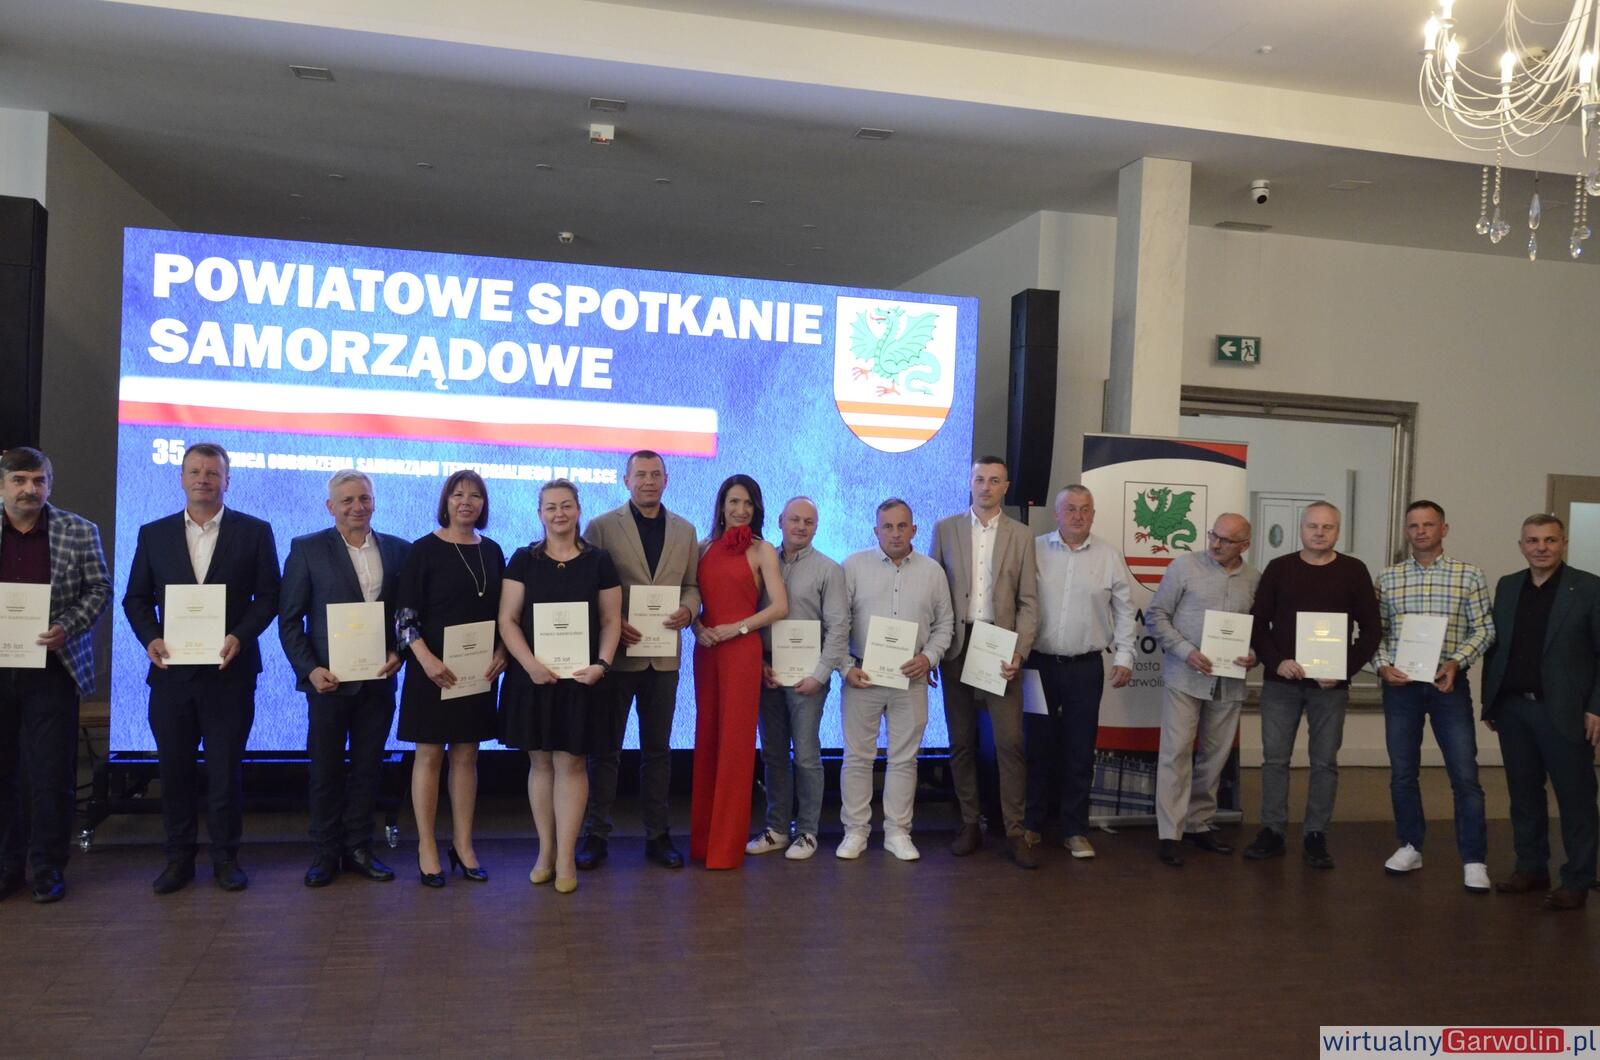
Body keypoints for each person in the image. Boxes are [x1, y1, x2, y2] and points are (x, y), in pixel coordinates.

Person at [123, 442, 280, 894]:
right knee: (174, 771)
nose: (203, 480)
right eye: (195, 471)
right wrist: (151, 638)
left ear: (228, 480)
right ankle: (179, 859)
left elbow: (270, 596)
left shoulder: (255, 531)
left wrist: (240, 636)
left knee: (226, 772)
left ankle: (226, 858)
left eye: (213, 473)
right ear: (181, 478)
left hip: (231, 673)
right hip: (171, 676)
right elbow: (135, 598)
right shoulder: (153, 534)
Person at [279, 469, 409, 888]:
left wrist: (400, 653)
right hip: (328, 682)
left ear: (374, 502)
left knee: (369, 769)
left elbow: (407, 616)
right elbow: (290, 620)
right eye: (348, 500)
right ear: (330, 506)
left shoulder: (399, 550)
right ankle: (325, 853)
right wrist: (309, 669)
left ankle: (359, 849)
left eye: (364, 498)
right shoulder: (307, 549)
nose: (357, 507)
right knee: (325, 771)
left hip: (378, 680)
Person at [578, 450, 701, 871]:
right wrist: (614, 622)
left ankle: (658, 835)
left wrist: (689, 610)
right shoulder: (600, 526)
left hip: (663, 659)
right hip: (616, 658)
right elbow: (587, 584)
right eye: (641, 474)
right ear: (626, 480)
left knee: (658, 752)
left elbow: (692, 586)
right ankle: (596, 835)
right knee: (605, 751)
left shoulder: (685, 530)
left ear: (667, 479)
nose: (649, 481)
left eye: (655, 474)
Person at [498, 479, 621, 894]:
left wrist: (602, 664)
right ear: (539, 514)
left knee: (572, 764)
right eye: (550, 507)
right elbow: (507, 620)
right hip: (533, 678)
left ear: (578, 509)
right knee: (541, 765)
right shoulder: (522, 559)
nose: (559, 514)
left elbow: (611, 621)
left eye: (566, 505)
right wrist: (530, 665)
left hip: (582, 680)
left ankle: (566, 856)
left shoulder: (599, 561)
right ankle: (545, 852)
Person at [0, 447, 111, 904]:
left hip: (53, 666)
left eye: (39, 480)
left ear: (50, 484)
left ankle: (47, 867)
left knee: (51, 774)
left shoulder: (79, 530)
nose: (30, 489)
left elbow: (99, 588)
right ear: (2, 485)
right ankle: (7, 866)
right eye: (19, 480)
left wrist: (68, 626)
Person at [1244, 501, 1380, 869]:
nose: (1319, 533)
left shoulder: (1354, 571)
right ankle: (1272, 830)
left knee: (1324, 762)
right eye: (1313, 526)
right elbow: (1258, 623)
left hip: (1329, 687)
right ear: (1301, 528)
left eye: (1327, 527)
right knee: (1275, 759)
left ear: (1338, 531)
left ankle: (1316, 834)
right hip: (1281, 682)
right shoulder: (1279, 568)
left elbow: (1371, 630)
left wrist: (1344, 669)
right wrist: (1277, 661)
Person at [1480, 514, 1600, 911]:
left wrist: (1596, 708)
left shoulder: (1589, 588)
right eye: (1532, 540)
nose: (1541, 548)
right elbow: (1496, 647)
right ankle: (1531, 868)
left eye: (1549, 540)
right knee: (1523, 794)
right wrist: (1490, 701)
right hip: (1514, 709)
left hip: (1565, 711)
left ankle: (1578, 878)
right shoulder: (1508, 585)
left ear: (1563, 543)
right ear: (1521, 546)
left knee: (1576, 799)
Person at [1373, 501, 1494, 893]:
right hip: (1402, 688)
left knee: (1465, 774)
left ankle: (1474, 859)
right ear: (1406, 531)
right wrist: (1383, 666)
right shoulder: (1388, 578)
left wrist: (1457, 662)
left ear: (1444, 529)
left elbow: (1485, 629)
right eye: (1414, 525)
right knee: (1403, 772)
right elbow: (1376, 632)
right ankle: (1411, 845)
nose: (1421, 531)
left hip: (1448, 685)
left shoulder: (1469, 575)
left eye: (1429, 524)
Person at [394, 470, 507, 887]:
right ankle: (426, 846)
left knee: (466, 756)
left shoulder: (493, 551)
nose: (466, 502)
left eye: (475, 496)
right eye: (458, 494)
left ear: (484, 505)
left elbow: (505, 614)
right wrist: (425, 660)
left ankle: (463, 844)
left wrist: (502, 652)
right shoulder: (423, 549)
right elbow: (404, 617)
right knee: (429, 756)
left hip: (477, 671)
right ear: (445, 501)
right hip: (432, 670)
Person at [931, 456, 1040, 869]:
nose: (986, 486)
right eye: (979, 479)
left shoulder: (1022, 535)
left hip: (999, 645)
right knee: (961, 742)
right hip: (957, 644)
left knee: (1009, 742)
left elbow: (1029, 602)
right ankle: (969, 823)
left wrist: (1019, 652)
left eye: (995, 480)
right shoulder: (946, 529)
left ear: (1006, 487)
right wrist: (931, 649)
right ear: (970, 481)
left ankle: (1014, 829)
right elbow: (934, 595)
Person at [837, 498, 954, 861]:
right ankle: (855, 831)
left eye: (902, 526)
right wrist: (845, 666)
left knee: (904, 759)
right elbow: (837, 623)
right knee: (857, 758)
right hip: (863, 676)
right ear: (876, 531)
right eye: (887, 526)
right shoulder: (853, 566)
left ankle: (898, 832)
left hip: (911, 678)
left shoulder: (933, 571)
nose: (895, 533)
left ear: (914, 529)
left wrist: (928, 658)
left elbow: (945, 625)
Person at [1144, 513, 1260, 868]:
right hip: (1185, 676)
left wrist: (1254, 654)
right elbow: (1156, 615)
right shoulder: (1184, 567)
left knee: (1214, 757)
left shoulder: (1254, 579)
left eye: (1226, 540)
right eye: (1213, 535)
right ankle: (1170, 833)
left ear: (1244, 545)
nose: (1215, 544)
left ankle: (1199, 823)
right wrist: (1186, 652)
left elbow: (1260, 628)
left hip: (1229, 681)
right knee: (1176, 752)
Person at [1027, 485, 1136, 859]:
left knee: (1079, 750)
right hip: (1037, 666)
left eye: (1085, 509)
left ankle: (1075, 830)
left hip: (1085, 669)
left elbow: (1125, 611)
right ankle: (1031, 824)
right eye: (1070, 509)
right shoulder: (1034, 549)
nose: (1078, 515)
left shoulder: (1108, 556)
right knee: (1036, 747)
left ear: (1093, 514)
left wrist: (1125, 656)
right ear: (1057, 514)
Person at [689, 475, 787, 870]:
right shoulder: (702, 547)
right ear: (722, 505)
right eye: (734, 502)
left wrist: (739, 628)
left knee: (735, 746)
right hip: (707, 650)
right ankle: (703, 843)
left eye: (748, 503)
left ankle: (725, 848)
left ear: (756, 508)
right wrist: (697, 628)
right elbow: (693, 601)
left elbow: (780, 606)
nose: (740, 510)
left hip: (742, 652)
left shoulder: (763, 550)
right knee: (707, 740)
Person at [746, 497, 849, 862]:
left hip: (808, 675)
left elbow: (839, 628)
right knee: (773, 753)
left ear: (816, 527)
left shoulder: (829, 570)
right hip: (768, 673)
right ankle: (776, 829)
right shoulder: (762, 561)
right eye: (794, 520)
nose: (801, 527)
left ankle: (806, 832)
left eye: (808, 521)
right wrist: (759, 662)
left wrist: (820, 675)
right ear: (780, 521)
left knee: (805, 755)